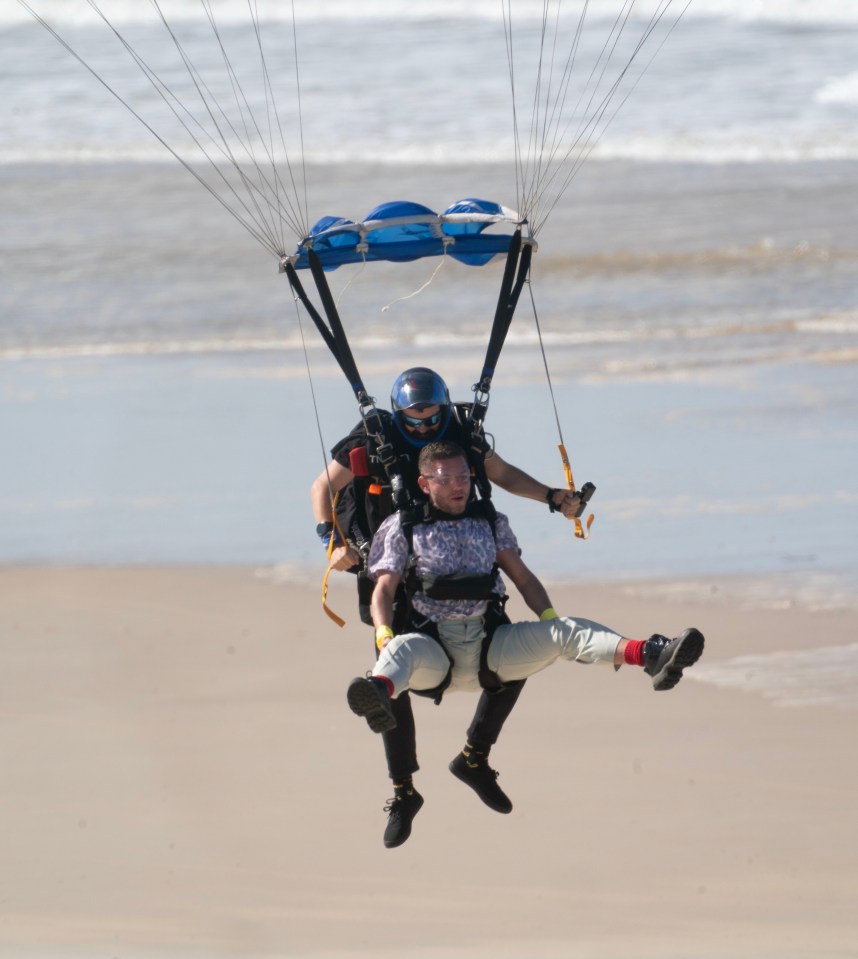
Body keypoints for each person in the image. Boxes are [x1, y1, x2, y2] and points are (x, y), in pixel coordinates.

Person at [346, 440, 705, 836]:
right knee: (398, 649)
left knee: (566, 630)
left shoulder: (489, 518)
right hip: (434, 653)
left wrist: (547, 622)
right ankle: (378, 693)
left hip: (489, 647)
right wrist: (382, 631)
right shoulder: (402, 526)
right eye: (446, 479)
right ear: (424, 483)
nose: (458, 486)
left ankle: (651, 654)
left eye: (464, 476)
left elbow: (524, 579)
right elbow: (382, 589)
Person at [311, 368, 584, 848]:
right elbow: (322, 489)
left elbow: (499, 473)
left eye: (432, 419)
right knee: (388, 683)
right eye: (413, 422)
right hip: (392, 563)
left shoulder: (460, 429)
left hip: (458, 560)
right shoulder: (372, 434)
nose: (423, 429)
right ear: (399, 414)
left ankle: (474, 758)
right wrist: (331, 540)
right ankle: (404, 791)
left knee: (506, 652)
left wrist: (552, 497)